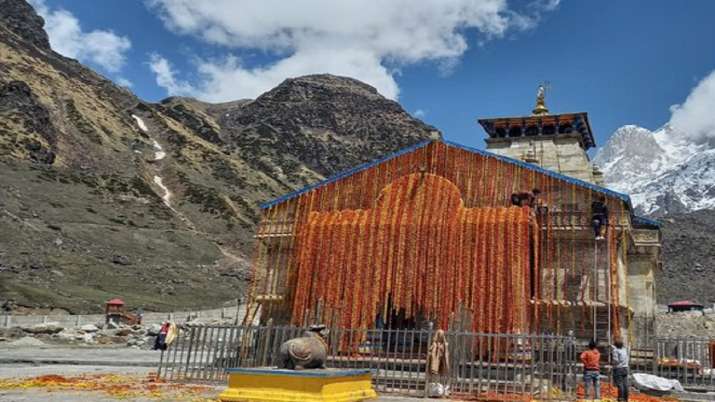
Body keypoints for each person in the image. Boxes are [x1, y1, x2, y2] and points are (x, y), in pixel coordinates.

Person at [611, 337, 630, 402]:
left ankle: (620, 399)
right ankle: (625, 398)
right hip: (625, 368)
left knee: (620, 384)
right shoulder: (624, 349)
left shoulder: (615, 351)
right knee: (625, 384)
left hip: (619, 368)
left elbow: (616, 360)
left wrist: (612, 363)